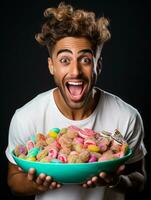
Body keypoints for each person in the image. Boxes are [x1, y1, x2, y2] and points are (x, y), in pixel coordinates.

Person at [5, 2, 147, 200]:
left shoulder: (127, 117)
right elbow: (13, 180)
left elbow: (139, 180)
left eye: (86, 60)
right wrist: (35, 184)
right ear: (51, 65)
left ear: (99, 65)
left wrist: (116, 181)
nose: (75, 71)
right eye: (64, 60)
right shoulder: (26, 117)